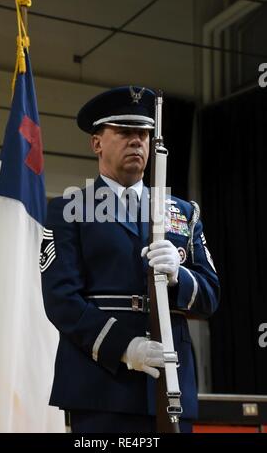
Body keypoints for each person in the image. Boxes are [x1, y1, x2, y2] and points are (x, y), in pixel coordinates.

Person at [40, 86, 220, 433]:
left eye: (144, 134)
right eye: (124, 132)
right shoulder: (69, 210)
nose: (137, 141)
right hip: (100, 384)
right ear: (97, 143)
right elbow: (61, 300)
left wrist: (180, 278)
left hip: (170, 382)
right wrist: (125, 347)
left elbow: (211, 295)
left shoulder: (181, 212)